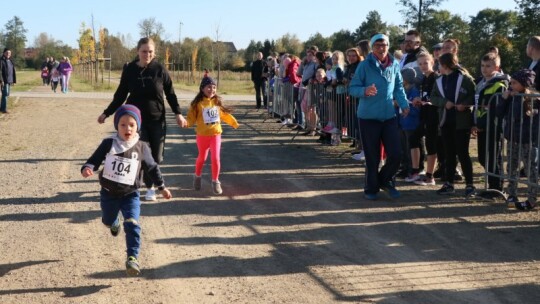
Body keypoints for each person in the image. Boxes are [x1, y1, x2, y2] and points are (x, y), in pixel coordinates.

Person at [81, 104, 172, 276]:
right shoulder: (109, 144)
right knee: (107, 221)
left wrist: (162, 187)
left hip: (131, 194)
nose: (127, 128)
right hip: (108, 193)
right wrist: (88, 168)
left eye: (131, 124)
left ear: (137, 126)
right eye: (123, 124)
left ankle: (132, 257)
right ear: (117, 126)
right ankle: (113, 221)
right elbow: (94, 159)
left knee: (132, 223)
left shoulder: (142, 147)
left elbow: (152, 168)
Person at [97, 37, 187, 201]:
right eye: (144, 51)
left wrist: (178, 113)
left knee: (157, 157)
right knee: (144, 155)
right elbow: (120, 95)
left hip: (157, 119)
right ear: (138, 51)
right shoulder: (130, 69)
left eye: (150, 51)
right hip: (136, 122)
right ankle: (150, 187)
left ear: (154, 52)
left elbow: (171, 93)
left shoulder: (160, 69)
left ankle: (149, 181)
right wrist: (106, 113)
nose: (147, 54)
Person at [349, 33, 410, 200]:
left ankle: (384, 180)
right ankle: (371, 188)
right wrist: (364, 91)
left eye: (384, 45)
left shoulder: (394, 64)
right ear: (372, 47)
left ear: (388, 46)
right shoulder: (364, 65)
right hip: (368, 117)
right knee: (372, 156)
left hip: (389, 115)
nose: (381, 48)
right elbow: (353, 88)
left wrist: (404, 104)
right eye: (377, 45)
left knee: (396, 154)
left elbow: (398, 86)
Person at [431, 52, 476, 197]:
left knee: (463, 154)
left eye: (439, 64)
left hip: (461, 123)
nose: (437, 66)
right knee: (448, 154)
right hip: (445, 122)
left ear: (445, 65)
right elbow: (433, 98)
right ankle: (449, 183)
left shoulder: (465, 79)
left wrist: (465, 104)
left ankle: (470, 184)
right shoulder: (438, 80)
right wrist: (445, 103)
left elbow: (473, 95)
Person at [187, 75, 239, 195]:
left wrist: (233, 122)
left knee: (215, 158)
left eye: (214, 87)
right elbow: (191, 118)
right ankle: (197, 176)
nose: (212, 90)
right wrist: (187, 123)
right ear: (202, 88)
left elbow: (224, 115)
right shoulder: (197, 104)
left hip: (215, 134)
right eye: (209, 87)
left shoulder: (216, 102)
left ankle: (215, 181)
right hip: (202, 135)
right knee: (202, 158)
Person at [496, 69, 538, 210]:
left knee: (530, 169)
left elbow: (528, 117)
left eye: (514, 83)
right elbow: (499, 113)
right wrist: (504, 99)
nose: (511, 85)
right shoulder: (510, 96)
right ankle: (512, 193)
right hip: (512, 138)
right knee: (511, 167)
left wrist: (520, 98)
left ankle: (532, 199)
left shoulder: (533, 99)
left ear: (524, 84)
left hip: (528, 140)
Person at [472, 52, 509, 196]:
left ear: (497, 67)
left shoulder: (500, 84)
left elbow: (495, 108)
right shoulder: (480, 83)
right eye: (482, 65)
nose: (484, 69)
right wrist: (475, 122)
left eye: (488, 66)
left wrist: (484, 121)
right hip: (481, 125)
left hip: (493, 125)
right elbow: (477, 106)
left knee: (494, 157)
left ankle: (496, 188)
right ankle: (493, 185)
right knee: (483, 157)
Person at [412, 52, 439, 186]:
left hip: (434, 116)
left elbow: (436, 98)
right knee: (414, 138)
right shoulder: (424, 79)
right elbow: (426, 97)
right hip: (424, 114)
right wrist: (419, 100)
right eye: (420, 64)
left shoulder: (436, 78)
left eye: (425, 63)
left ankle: (430, 176)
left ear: (432, 62)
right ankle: (416, 171)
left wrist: (426, 101)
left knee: (431, 144)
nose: (423, 66)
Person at [0, 48, 16, 114]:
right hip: (4, 81)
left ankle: (2, 107)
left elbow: (12, 71)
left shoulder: (10, 60)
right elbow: (0, 71)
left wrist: (13, 81)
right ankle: (4, 109)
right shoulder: (1, 61)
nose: (8, 54)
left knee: (7, 94)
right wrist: (1, 80)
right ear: (4, 53)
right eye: (7, 53)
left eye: (9, 53)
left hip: (9, 80)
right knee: (5, 94)